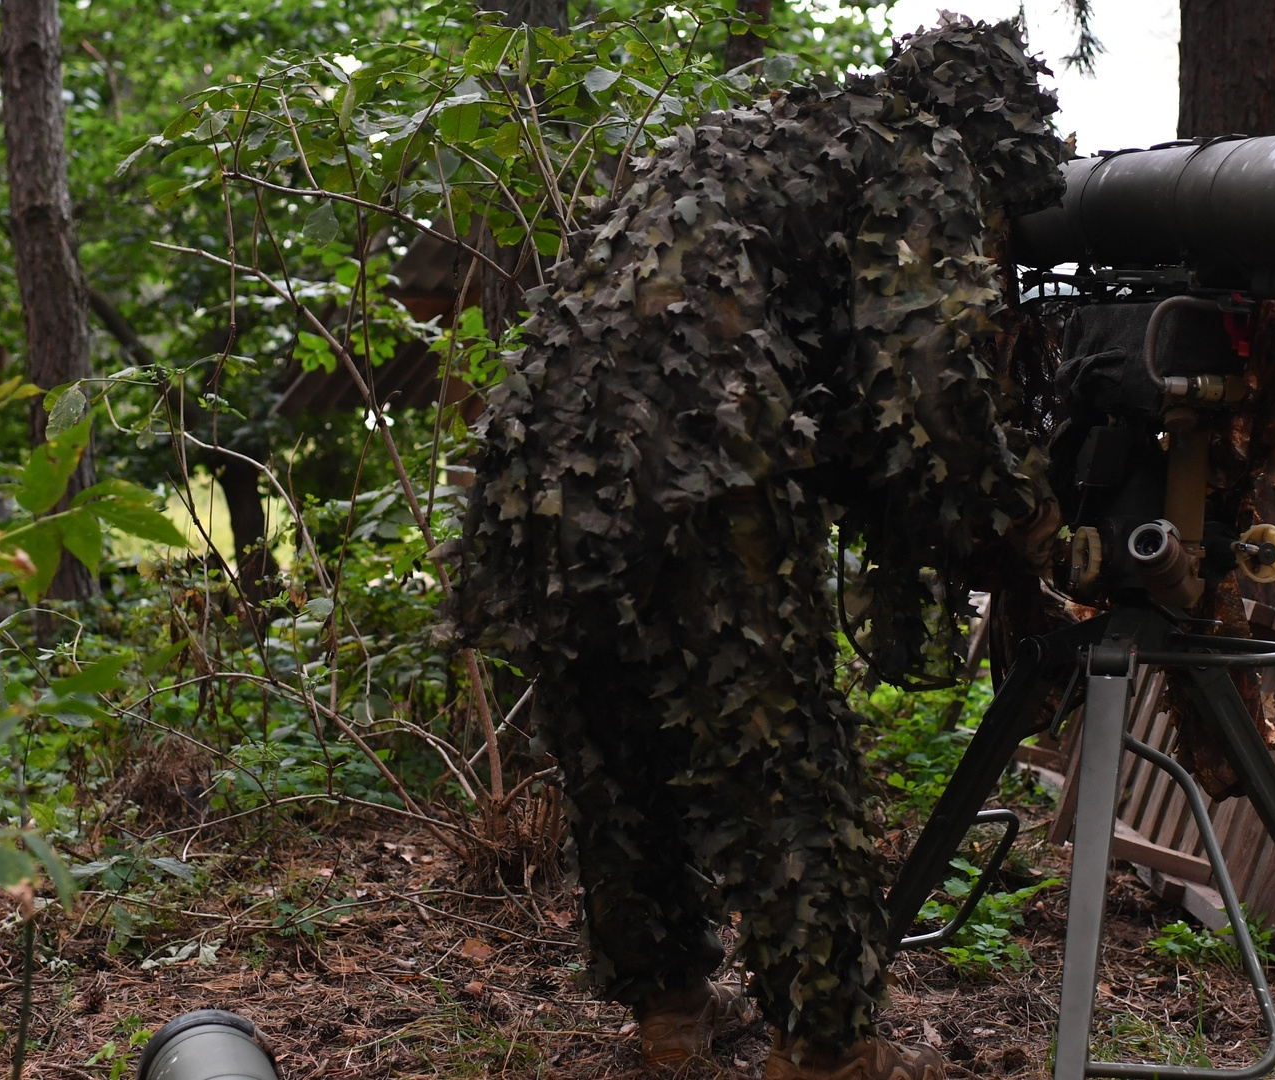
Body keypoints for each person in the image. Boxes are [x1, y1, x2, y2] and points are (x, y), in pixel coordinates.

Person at [443, 17, 1066, 1077]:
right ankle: (825, 1050)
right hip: (703, 444)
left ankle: (670, 1019)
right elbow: (923, 372)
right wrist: (1018, 513)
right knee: (777, 754)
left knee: (616, 742)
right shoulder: (925, 149)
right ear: (994, 121)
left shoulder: (757, 133)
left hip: (540, 452)